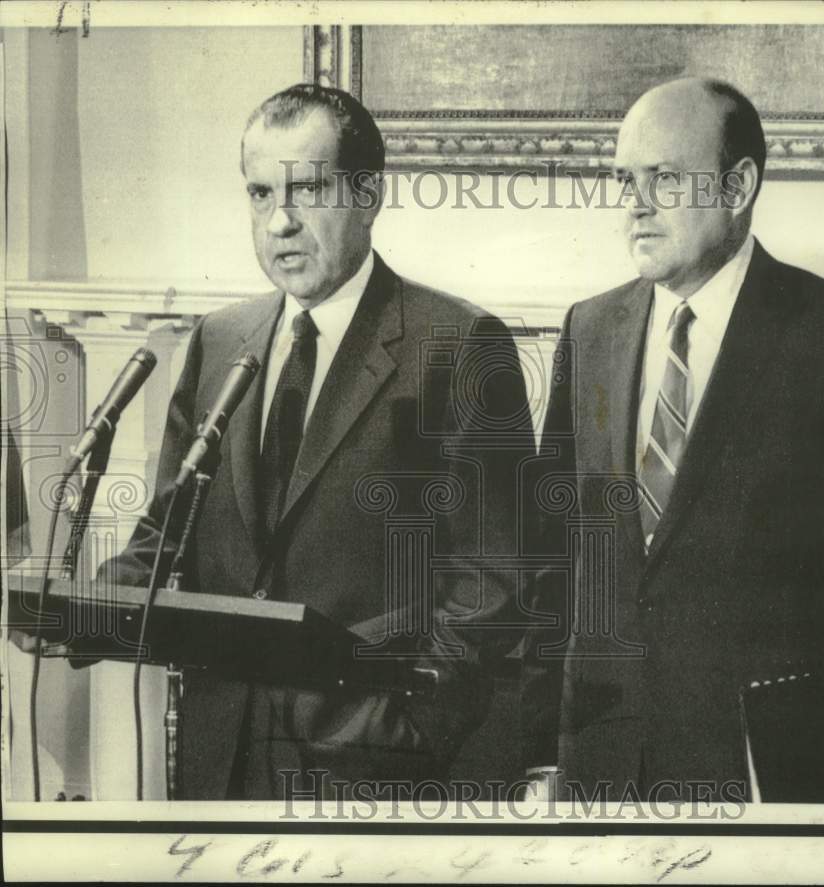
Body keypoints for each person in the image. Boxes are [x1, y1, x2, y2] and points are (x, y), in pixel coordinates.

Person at [99, 84, 534, 800]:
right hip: (221, 754)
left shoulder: (456, 344)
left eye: (307, 190)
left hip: (374, 760)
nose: (280, 222)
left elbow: (493, 577)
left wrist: (417, 716)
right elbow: (167, 530)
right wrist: (78, 605)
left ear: (368, 195)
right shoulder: (218, 340)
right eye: (260, 193)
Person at [520, 77, 824, 805]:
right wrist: (533, 756)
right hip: (602, 767)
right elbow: (552, 563)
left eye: (665, 178)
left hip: (764, 775)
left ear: (739, 183)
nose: (636, 203)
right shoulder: (589, 328)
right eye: (626, 179)